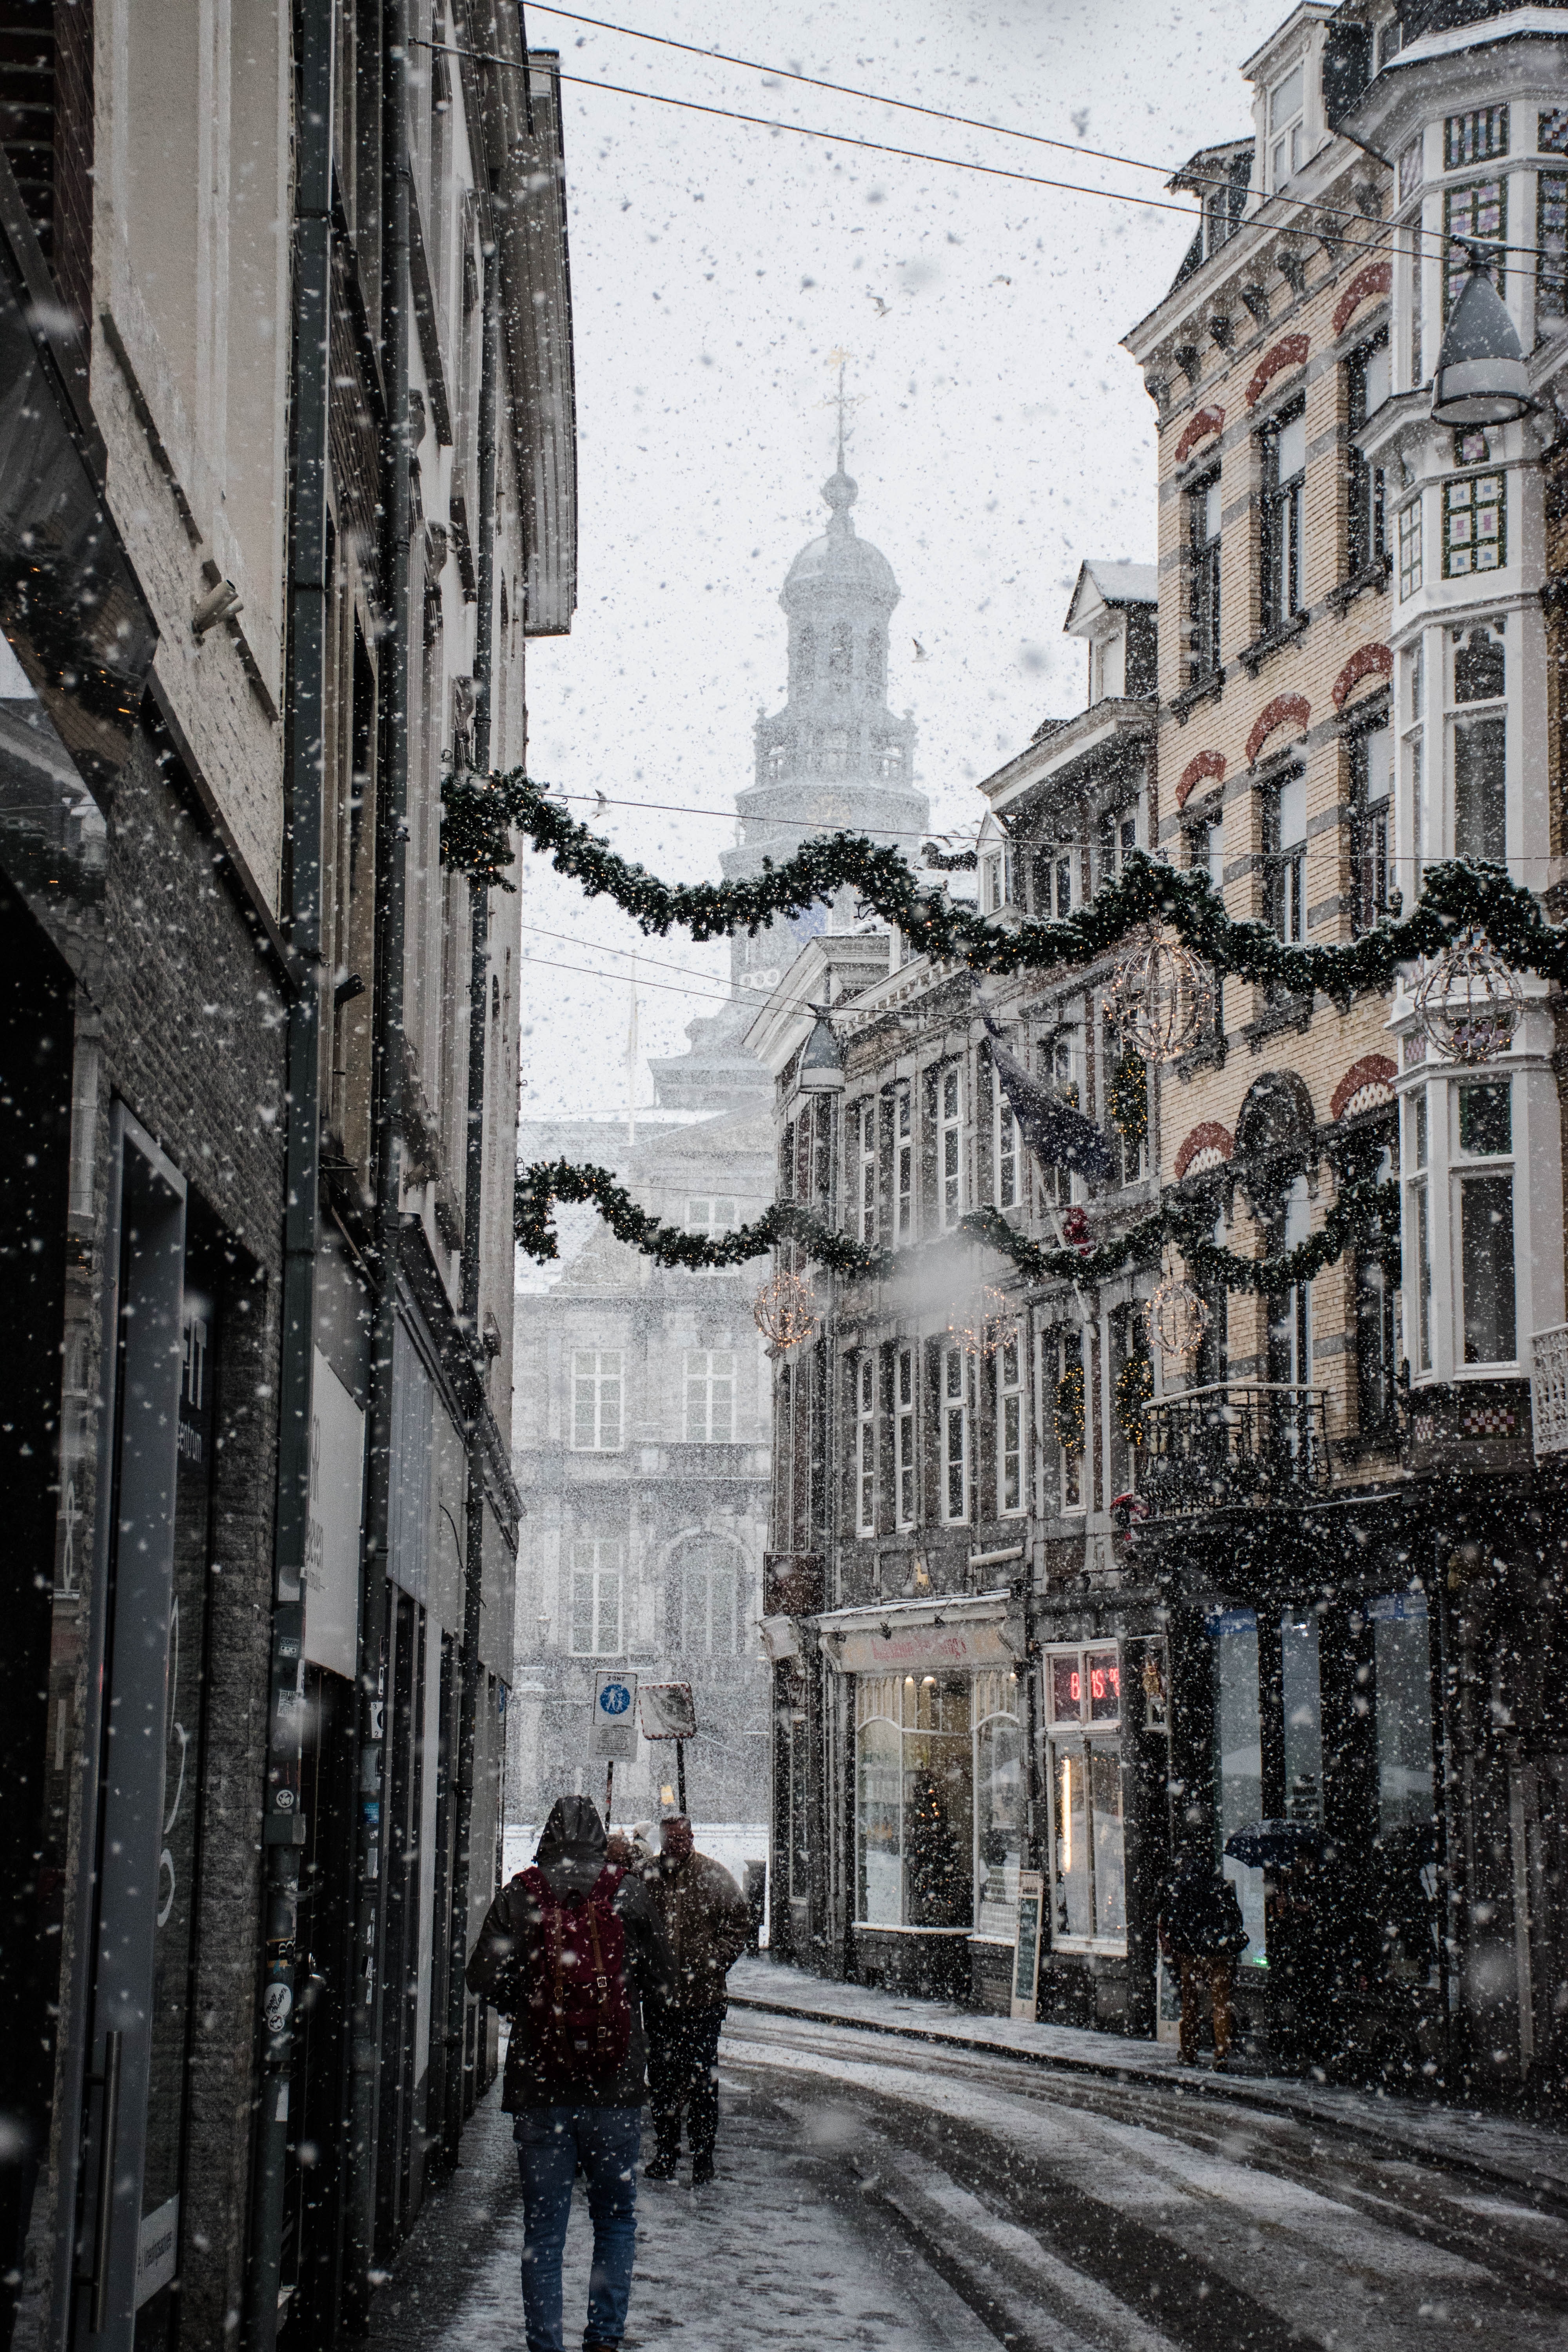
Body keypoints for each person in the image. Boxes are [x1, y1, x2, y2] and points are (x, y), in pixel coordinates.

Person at [467, 1796, 670, 2352]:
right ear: (601, 1838)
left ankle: (545, 2343)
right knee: (615, 2219)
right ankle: (605, 2336)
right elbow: (664, 1979)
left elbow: (481, 1975)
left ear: (548, 1837)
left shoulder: (523, 1893)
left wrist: (526, 2002)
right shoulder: (627, 1892)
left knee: (544, 2230)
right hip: (616, 2089)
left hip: (541, 2085)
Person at [638, 1816, 750, 2184]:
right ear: (663, 1840)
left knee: (702, 2081)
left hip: (703, 2001)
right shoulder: (645, 1877)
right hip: (660, 2001)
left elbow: (739, 1922)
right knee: (664, 2081)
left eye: (685, 1838)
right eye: (673, 1838)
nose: (679, 1844)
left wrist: (712, 1963)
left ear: (692, 1838)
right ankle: (667, 2152)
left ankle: (703, 2157)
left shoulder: (713, 1876)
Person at [1158, 1850, 1249, 2069]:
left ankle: (1189, 2051)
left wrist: (1180, 1946)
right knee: (1221, 2004)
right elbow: (1236, 1919)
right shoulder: (1222, 1887)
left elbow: (1174, 1919)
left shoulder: (1182, 1886)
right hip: (1220, 1954)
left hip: (1192, 1955)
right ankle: (1221, 2054)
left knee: (1190, 2003)